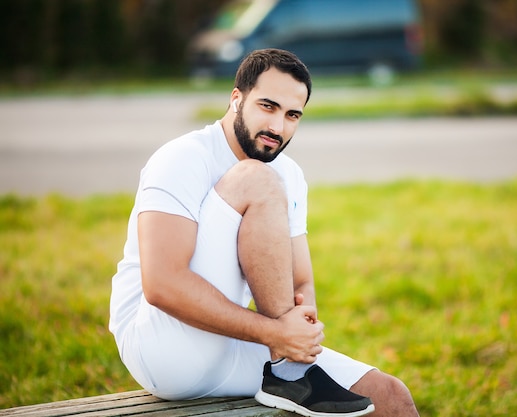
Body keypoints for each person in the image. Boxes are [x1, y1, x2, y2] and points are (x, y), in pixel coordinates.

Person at [109, 48, 420, 417]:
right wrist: (276, 336)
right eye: (267, 106)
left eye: (292, 115)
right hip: (162, 347)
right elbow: (162, 284)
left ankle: (290, 371)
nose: (278, 127)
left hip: (235, 343)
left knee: (389, 396)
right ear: (236, 98)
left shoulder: (288, 174)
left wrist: (298, 328)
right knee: (257, 177)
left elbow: (300, 281)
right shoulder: (183, 158)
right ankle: (289, 370)